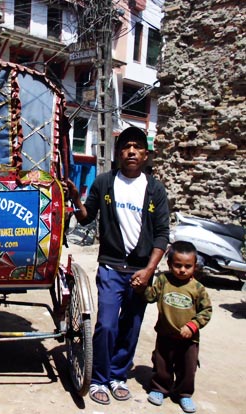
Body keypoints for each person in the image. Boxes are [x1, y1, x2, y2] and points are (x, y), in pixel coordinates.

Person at [65, 126, 170, 405]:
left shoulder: (155, 189)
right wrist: (76, 199)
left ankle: (118, 375)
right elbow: (86, 218)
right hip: (111, 267)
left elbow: (162, 234)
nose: (131, 151)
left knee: (131, 327)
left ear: (146, 154)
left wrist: (148, 271)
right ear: (118, 152)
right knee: (107, 325)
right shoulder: (104, 182)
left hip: (140, 271)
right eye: (126, 147)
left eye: (137, 147)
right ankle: (99, 377)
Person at [142, 241, 212, 413]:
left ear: (195, 266)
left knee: (187, 369)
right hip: (165, 334)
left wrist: (193, 325)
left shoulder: (198, 288)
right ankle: (160, 388)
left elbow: (206, 311)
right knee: (162, 364)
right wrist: (141, 287)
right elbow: (151, 297)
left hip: (188, 339)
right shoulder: (163, 280)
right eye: (178, 265)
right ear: (169, 264)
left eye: (188, 266)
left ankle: (184, 394)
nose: (182, 270)